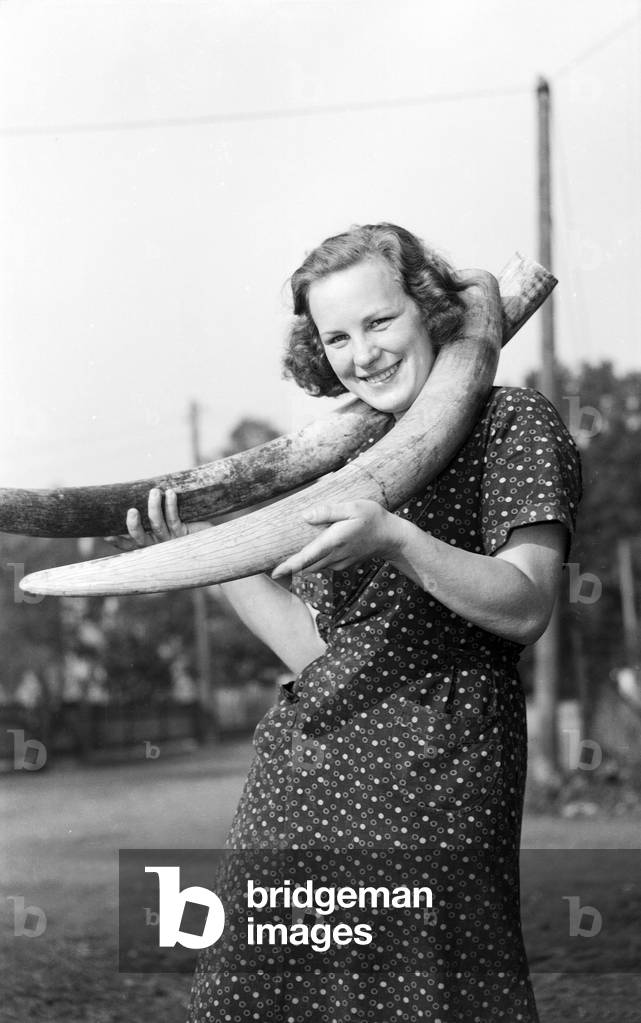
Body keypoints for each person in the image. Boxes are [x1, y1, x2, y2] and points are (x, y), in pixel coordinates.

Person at [110, 223, 582, 1021]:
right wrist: (204, 548)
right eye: (335, 336)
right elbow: (316, 647)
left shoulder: (512, 423)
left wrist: (395, 537)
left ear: (427, 310)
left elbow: (526, 604)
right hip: (297, 781)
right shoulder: (341, 462)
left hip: (437, 776)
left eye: (378, 322)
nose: (360, 354)